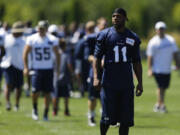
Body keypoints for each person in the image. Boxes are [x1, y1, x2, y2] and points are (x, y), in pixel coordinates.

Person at [93, 8, 143, 135]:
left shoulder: (133, 37)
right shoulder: (104, 35)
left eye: (119, 16)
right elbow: (97, 58)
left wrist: (140, 82)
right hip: (109, 84)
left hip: (126, 85)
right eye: (114, 16)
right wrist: (96, 77)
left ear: (125, 18)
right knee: (107, 118)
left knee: (125, 121)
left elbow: (137, 62)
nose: (115, 18)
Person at [23, 20, 60, 121]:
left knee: (47, 92)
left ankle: (45, 113)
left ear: (47, 29)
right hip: (36, 68)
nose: (40, 30)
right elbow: (25, 53)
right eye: (39, 28)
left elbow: (57, 55)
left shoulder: (52, 39)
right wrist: (26, 67)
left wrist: (58, 68)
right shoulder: (32, 38)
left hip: (48, 69)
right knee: (35, 91)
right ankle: (35, 109)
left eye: (43, 28)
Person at [146, 21, 179, 113]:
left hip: (167, 68)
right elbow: (150, 56)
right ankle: (162, 105)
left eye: (162, 29)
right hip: (157, 68)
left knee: (164, 87)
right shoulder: (153, 42)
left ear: (165, 30)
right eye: (159, 29)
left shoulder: (170, 40)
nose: (161, 31)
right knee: (160, 87)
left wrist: (177, 64)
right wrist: (149, 69)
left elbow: (175, 53)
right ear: (156, 30)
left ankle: (157, 104)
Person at [0, 21, 25, 111]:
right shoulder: (6, 38)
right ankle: (8, 102)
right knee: (8, 84)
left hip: (19, 65)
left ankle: (17, 104)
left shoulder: (24, 40)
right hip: (8, 64)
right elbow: (2, 50)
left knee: (19, 86)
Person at [52, 38, 73, 116]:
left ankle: (55, 110)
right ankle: (66, 110)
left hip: (55, 77)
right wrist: (72, 73)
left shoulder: (55, 54)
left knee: (55, 95)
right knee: (66, 96)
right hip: (65, 77)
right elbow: (69, 64)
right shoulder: (67, 54)